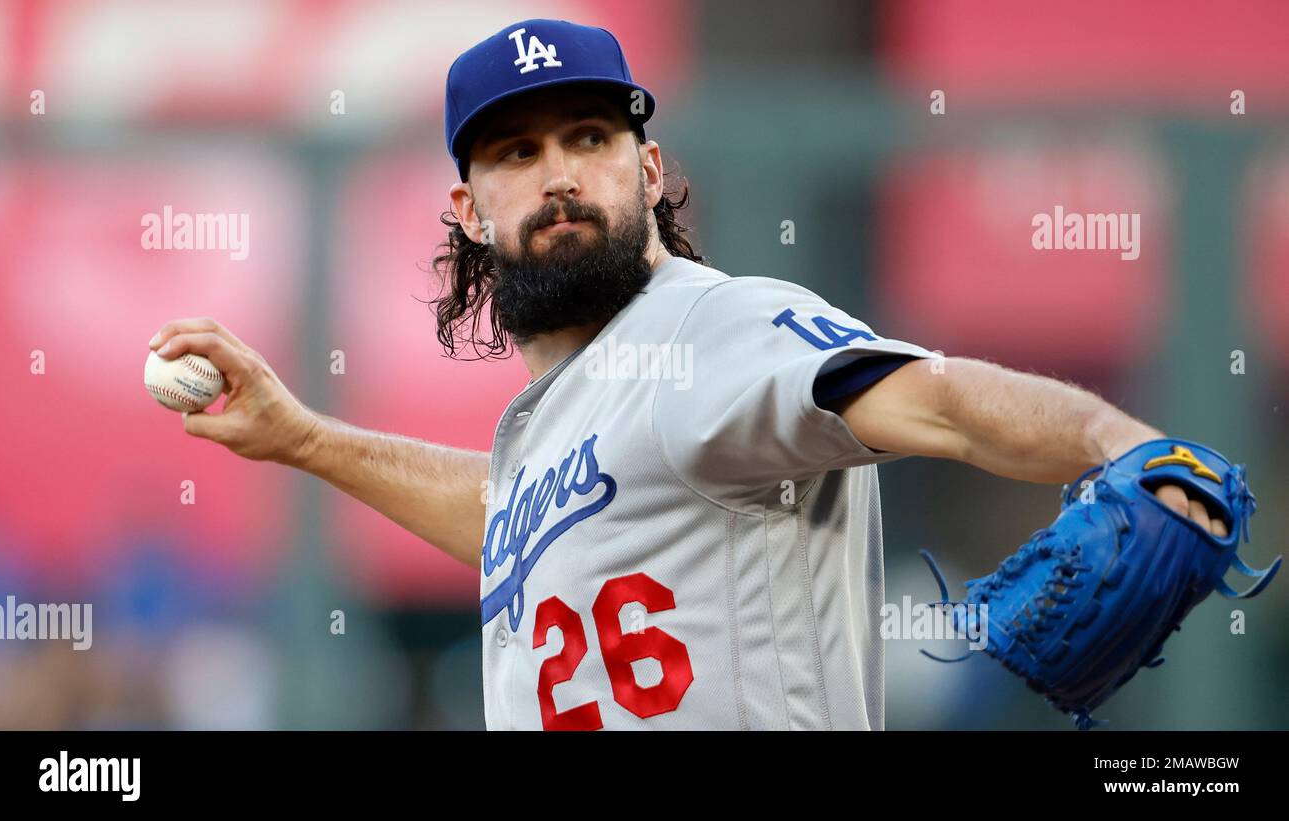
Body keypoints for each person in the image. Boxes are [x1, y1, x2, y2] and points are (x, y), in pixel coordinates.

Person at [148, 18, 1226, 730]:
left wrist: (1121, 445)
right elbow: (510, 516)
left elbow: (935, 398)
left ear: (648, 170)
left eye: (586, 136)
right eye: (517, 154)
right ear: (470, 211)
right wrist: (302, 438)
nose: (559, 173)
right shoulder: (562, 417)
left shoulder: (715, 326)